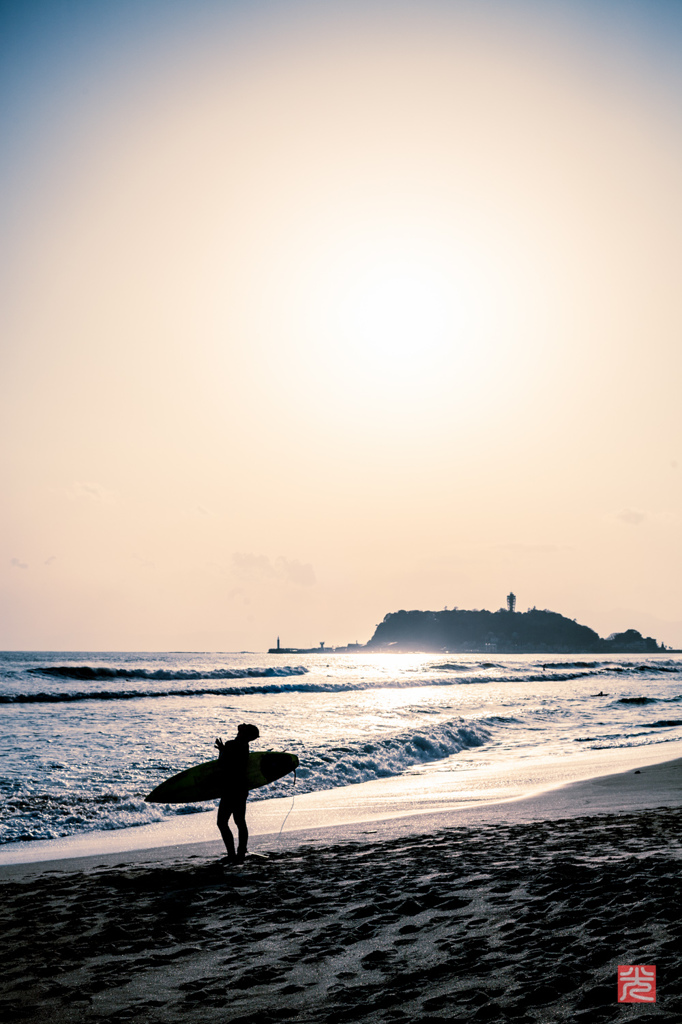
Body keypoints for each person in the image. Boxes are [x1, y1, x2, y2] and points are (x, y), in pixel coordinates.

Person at [214, 723, 260, 864]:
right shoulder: (244, 746)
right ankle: (240, 853)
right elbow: (235, 761)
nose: (242, 725)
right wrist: (224, 750)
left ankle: (232, 854)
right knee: (240, 821)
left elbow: (223, 764)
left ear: (245, 733)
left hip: (230, 788)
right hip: (241, 787)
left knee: (222, 822)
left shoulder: (232, 744)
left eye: (245, 727)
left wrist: (222, 751)